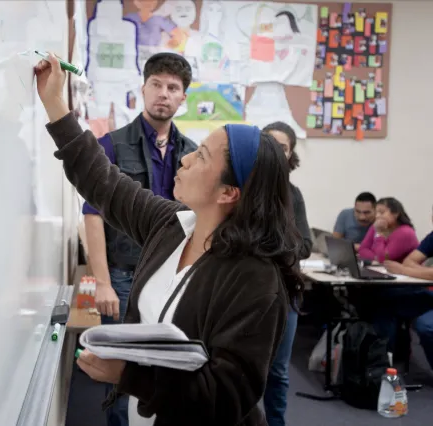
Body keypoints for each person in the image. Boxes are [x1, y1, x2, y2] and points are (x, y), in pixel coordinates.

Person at [35, 53, 304, 426]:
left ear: (228, 192)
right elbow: (104, 184)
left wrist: (128, 376)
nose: (187, 159)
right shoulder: (175, 226)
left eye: (202, 157)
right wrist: (54, 103)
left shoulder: (255, 279)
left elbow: (225, 397)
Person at [82, 52, 197, 426]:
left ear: (183, 98)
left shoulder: (193, 154)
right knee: (121, 373)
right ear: (143, 88)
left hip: (175, 277)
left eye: (173, 88)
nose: (163, 93)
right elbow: (93, 215)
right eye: (156, 85)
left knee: (167, 368)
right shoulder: (111, 144)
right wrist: (102, 282)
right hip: (123, 276)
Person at [262, 122, 311, 426]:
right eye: (269, 144)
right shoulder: (240, 188)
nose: (275, 152)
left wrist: (268, 241)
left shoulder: (294, 195)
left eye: (282, 147)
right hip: (247, 292)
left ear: (290, 153)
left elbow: (304, 246)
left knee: (278, 371)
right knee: (241, 369)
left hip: (285, 291)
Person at [383, 206, 433, 370]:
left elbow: (403, 267)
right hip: (429, 293)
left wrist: (405, 271)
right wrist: (425, 272)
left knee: (426, 325)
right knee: (388, 301)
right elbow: (409, 261)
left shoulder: (404, 232)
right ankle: (385, 361)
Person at [358, 197, 419, 263]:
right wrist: (376, 258)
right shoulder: (376, 226)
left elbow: (383, 258)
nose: (377, 216)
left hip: (403, 272)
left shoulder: (405, 232)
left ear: (395, 214)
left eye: (381, 212)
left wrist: (379, 233)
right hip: (382, 269)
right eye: (376, 213)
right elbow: (362, 249)